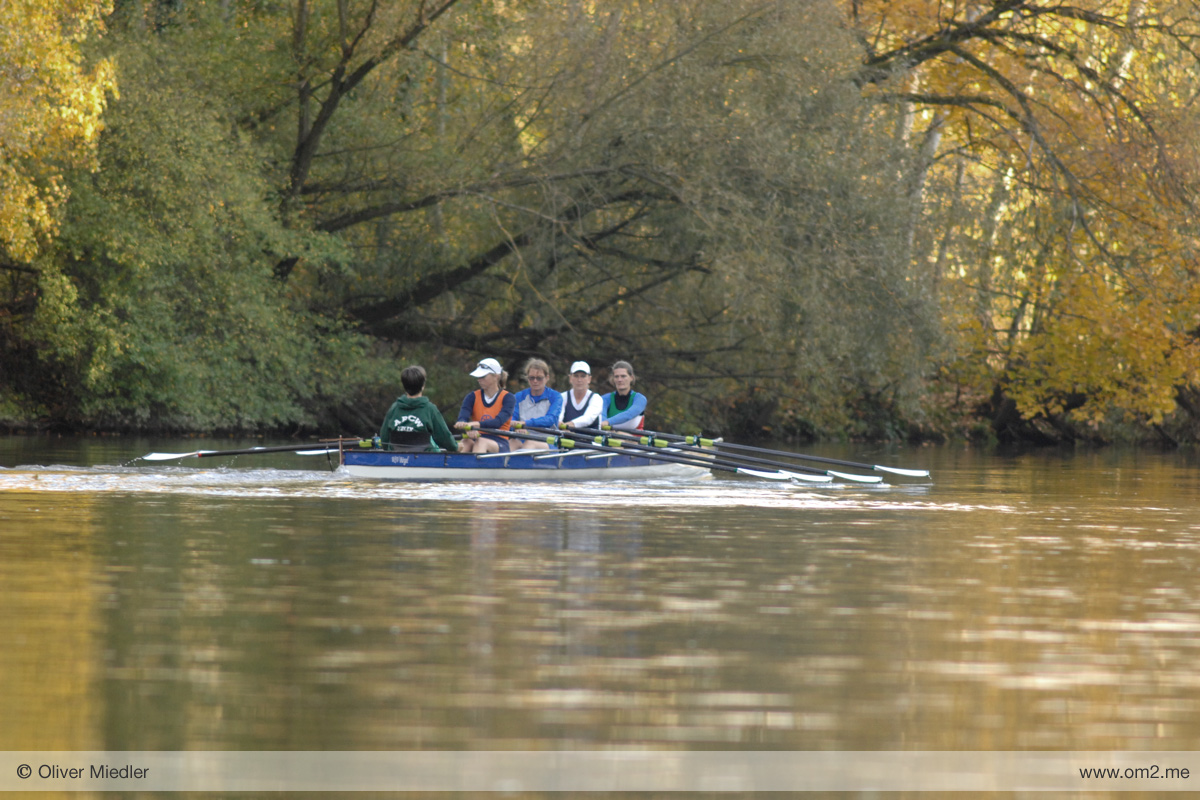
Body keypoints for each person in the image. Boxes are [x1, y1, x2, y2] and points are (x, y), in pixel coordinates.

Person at [378, 365, 459, 452]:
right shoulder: (430, 409)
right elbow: (444, 437)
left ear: (404, 385)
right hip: (425, 459)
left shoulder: (394, 408)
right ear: (423, 385)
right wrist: (456, 447)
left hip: (396, 458)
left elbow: (384, 439)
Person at [455, 357, 514, 453]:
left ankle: (475, 467)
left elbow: (498, 422)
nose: (479, 380)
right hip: (477, 437)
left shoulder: (508, 398)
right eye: (478, 377)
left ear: (496, 376)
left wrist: (476, 425)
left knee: (481, 442)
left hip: (499, 441)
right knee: (465, 443)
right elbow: (463, 417)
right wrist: (463, 424)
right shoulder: (472, 397)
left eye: (483, 376)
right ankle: (456, 466)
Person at [508, 358, 564, 450]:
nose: (535, 381)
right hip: (523, 437)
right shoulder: (518, 397)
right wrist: (515, 426)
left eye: (539, 378)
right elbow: (512, 417)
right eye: (531, 378)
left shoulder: (556, 397)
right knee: (510, 444)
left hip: (548, 440)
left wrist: (525, 423)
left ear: (547, 378)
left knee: (530, 444)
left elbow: (550, 419)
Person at [601, 360, 647, 431]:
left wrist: (608, 422)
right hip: (611, 437)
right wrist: (603, 423)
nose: (619, 380)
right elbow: (601, 416)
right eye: (616, 376)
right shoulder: (605, 399)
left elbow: (629, 415)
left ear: (631, 378)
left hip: (633, 439)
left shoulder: (640, 399)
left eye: (623, 376)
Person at [558, 360, 603, 430]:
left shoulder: (596, 398)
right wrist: (559, 423)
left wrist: (566, 426)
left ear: (589, 379)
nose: (579, 380)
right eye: (576, 376)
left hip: (591, 439)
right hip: (567, 438)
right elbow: (558, 417)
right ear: (570, 378)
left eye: (583, 376)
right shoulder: (562, 397)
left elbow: (588, 418)